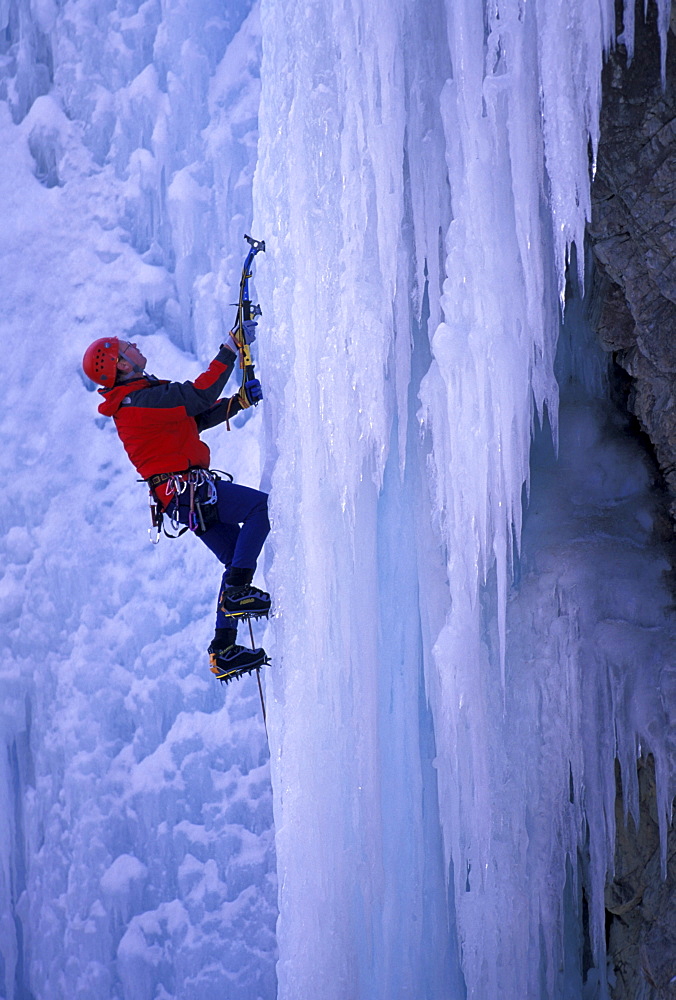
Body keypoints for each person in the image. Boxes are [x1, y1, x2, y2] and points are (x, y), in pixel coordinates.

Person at [82, 327, 271, 683]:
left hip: (181, 499)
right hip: (190, 493)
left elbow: (193, 420)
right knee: (261, 510)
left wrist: (238, 402)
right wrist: (231, 347)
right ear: (120, 364)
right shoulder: (137, 402)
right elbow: (199, 395)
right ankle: (237, 593)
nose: (135, 346)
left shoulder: (139, 398)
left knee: (234, 557)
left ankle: (224, 649)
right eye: (127, 347)